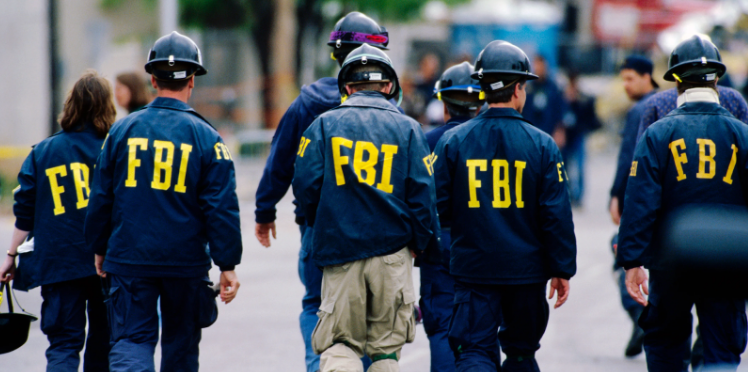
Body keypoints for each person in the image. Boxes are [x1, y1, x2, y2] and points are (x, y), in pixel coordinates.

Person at [84, 31, 242, 372]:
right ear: (192, 81)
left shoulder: (121, 132)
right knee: (181, 348)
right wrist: (227, 264)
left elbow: (101, 197)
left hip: (129, 257)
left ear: (153, 80)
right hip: (185, 263)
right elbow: (221, 207)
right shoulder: (208, 137)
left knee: (131, 342)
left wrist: (99, 248)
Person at [253, 11, 392, 372]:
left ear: (336, 54)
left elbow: (281, 161)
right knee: (371, 311)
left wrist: (265, 211)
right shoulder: (392, 109)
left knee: (318, 305)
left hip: (320, 227)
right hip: (380, 229)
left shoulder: (307, 105)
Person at [293, 44, 439, 372]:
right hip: (393, 254)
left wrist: (324, 221)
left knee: (340, 344)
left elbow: (304, 187)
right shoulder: (410, 129)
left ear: (346, 87)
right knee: (386, 351)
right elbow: (423, 197)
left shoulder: (322, 125)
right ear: (389, 87)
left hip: (340, 250)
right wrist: (418, 243)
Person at [433, 40, 577, 372]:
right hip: (526, 272)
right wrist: (561, 268)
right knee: (522, 352)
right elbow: (555, 214)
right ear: (517, 90)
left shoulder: (453, 141)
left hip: (473, 269)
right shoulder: (542, 145)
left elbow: (436, 208)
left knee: (474, 351)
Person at [618, 34, 748, 372]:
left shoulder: (658, 134)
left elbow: (640, 200)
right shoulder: (742, 134)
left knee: (666, 345)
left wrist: (632, 260)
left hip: (669, 260)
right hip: (728, 260)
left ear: (675, 80)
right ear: (717, 78)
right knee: (721, 349)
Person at [0, 70, 115, 371]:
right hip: (108, 261)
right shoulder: (115, 148)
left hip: (59, 263)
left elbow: (24, 212)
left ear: (70, 105)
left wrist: (11, 257)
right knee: (104, 341)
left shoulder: (44, 152)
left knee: (63, 344)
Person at [421, 61, 484, 372]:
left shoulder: (428, 142)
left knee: (443, 328)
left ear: (443, 103)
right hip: (486, 242)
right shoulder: (492, 138)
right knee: (482, 334)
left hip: (441, 243)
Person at [608, 55, 658, 357]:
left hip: (638, 202)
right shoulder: (670, 102)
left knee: (621, 254)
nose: (625, 86)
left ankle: (641, 315)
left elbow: (628, 159)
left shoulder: (640, 110)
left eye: (629, 79)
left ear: (646, 76)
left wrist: (616, 195)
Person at [562, 70, 601, 207]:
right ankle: (568, 194)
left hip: (578, 135)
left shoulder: (583, 97)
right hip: (566, 137)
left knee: (579, 167)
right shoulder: (562, 96)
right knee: (565, 167)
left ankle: (578, 196)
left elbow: (589, 115)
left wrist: (576, 101)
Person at [521, 55, 568, 149]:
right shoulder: (528, 89)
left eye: (541, 65)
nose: (538, 68)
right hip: (531, 133)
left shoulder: (554, 88)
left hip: (550, 132)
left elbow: (560, 110)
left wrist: (560, 130)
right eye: (536, 65)